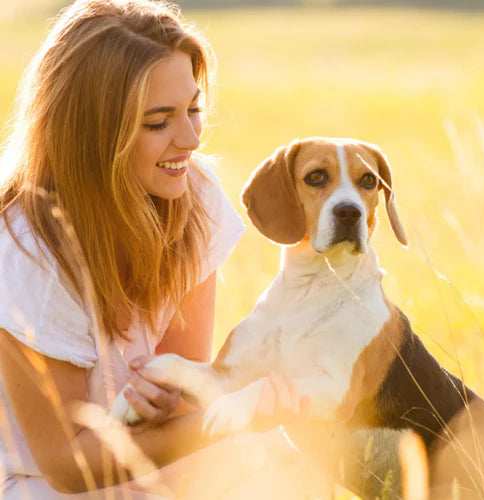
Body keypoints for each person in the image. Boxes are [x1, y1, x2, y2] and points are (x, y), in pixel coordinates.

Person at [0, 0, 337, 498]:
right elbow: (69, 466)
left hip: (158, 457)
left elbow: (186, 386)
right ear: (93, 136)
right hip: (51, 487)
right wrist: (243, 416)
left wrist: (175, 398)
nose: (192, 138)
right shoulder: (30, 252)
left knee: (292, 466)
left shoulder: (192, 197)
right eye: (159, 122)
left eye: (193, 110)